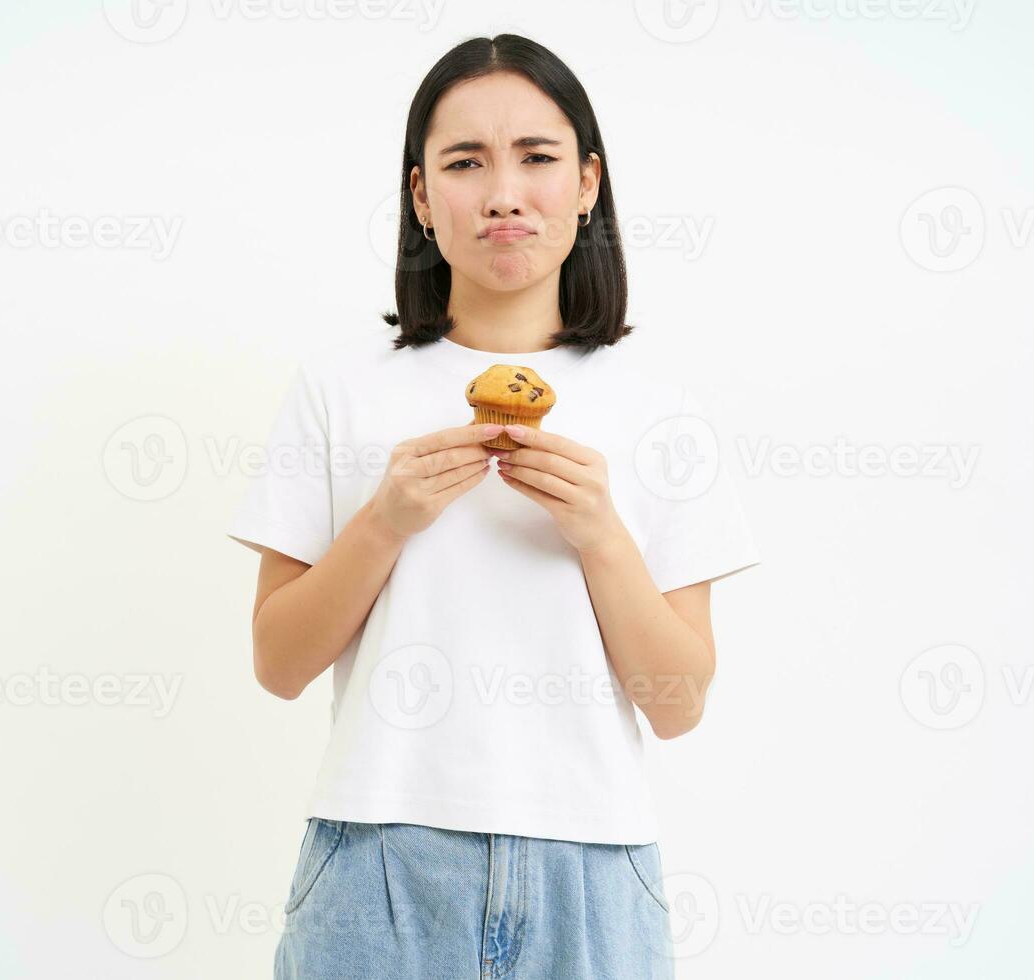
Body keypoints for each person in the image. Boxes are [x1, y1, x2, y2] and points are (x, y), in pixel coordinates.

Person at [227, 33, 761, 980]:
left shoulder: (661, 409)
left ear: (588, 184)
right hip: (376, 862)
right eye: (465, 162)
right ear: (422, 197)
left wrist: (600, 533)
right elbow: (278, 663)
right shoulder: (340, 390)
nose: (505, 193)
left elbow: (677, 704)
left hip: (592, 868)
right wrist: (385, 522)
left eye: (539, 159)